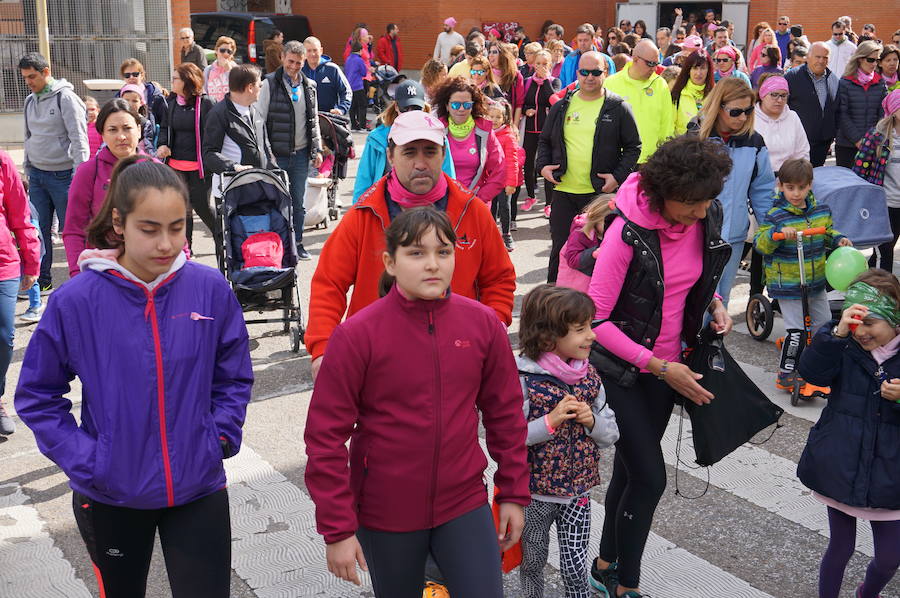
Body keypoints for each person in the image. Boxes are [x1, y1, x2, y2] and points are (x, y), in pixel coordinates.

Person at [15, 157, 253, 598]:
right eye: (150, 228)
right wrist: (91, 461)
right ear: (120, 223)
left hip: (198, 486)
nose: (166, 243)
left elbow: (233, 374)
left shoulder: (209, 288)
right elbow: (37, 395)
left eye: (177, 227)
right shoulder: (77, 300)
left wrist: (219, 435)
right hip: (111, 495)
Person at [304, 207, 528, 595]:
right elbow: (324, 438)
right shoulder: (357, 335)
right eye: (416, 253)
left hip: (463, 500)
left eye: (444, 252)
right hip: (385, 510)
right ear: (390, 262)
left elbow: (505, 414)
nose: (433, 264)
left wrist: (511, 492)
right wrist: (337, 529)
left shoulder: (483, 325)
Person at [587, 136, 734, 598]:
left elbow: (691, 279)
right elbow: (595, 320)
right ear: (663, 192)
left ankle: (604, 564)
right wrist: (655, 364)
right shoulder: (626, 232)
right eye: (690, 203)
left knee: (630, 474)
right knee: (650, 478)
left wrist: (714, 303)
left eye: (706, 202)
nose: (699, 212)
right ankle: (625, 584)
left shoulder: (704, 215)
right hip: (622, 371)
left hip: (670, 366)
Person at [304, 110, 516, 383]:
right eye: (409, 152)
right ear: (391, 157)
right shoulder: (364, 213)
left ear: (443, 154)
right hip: (378, 359)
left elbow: (499, 279)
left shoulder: (471, 211)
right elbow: (328, 283)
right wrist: (323, 348)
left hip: (455, 359)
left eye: (429, 152)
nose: (420, 163)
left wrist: (490, 331)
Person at [796, 269, 900, 598]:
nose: (861, 332)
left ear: (895, 320)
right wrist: (835, 335)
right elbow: (811, 372)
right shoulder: (843, 345)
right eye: (855, 322)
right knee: (839, 549)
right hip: (841, 463)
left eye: (870, 323)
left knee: (889, 558)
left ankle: (866, 593)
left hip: (890, 472)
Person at [516, 284, 618, 598]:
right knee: (532, 560)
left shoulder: (590, 378)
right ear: (549, 338)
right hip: (535, 494)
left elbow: (611, 434)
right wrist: (550, 422)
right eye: (580, 329)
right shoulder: (525, 380)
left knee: (575, 567)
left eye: (590, 326)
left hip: (578, 494)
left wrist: (591, 422)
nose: (592, 335)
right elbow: (510, 438)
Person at [536, 51, 641, 283]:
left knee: (600, 251)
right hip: (564, 192)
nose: (589, 77)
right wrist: (542, 167)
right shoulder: (562, 106)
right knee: (561, 249)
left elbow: (634, 147)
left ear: (605, 73)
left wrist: (617, 177)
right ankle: (555, 297)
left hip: (599, 196)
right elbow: (544, 140)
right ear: (577, 74)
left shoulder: (618, 107)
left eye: (596, 72)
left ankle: (599, 303)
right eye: (584, 72)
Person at [754, 158, 851, 393]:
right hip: (788, 284)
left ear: (810, 185)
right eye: (790, 188)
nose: (796, 193)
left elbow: (827, 232)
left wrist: (838, 239)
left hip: (815, 281)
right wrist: (777, 234)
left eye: (801, 187)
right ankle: (786, 372)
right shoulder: (776, 215)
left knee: (824, 325)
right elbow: (760, 244)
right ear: (781, 186)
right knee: (796, 331)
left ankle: (817, 365)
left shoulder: (821, 211)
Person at [687, 78, 776, 303]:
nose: (743, 117)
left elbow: (762, 191)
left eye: (748, 110)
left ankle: (713, 339)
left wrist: (770, 229)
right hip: (696, 234)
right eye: (736, 112)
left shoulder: (754, 142)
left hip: (733, 235)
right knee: (693, 299)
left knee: (721, 299)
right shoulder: (695, 137)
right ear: (719, 107)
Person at [19, 52, 89, 294]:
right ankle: (42, 281)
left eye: (33, 76)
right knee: (39, 232)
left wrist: (82, 178)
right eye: (25, 77)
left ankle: (81, 283)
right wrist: (28, 170)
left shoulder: (66, 99)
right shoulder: (30, 101)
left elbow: (80, 140)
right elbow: (28, 137)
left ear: (46, 71)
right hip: (37, 177)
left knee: (73, 232)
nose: (29, 81)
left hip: (64, 178)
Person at [256, 41, 324, 260]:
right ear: (283, 58)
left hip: (302, 154)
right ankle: (278, 246)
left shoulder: (310, 85)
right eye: (291, 61)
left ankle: (297, 243)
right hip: (277, 156)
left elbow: (313, 121)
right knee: (276, 202)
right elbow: (260, 122)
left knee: (298, 203)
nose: (294, 66)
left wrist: (317, 149)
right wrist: (267, 153)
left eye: (299, 62)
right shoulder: (269, 84)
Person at [63, 99, 147, 277]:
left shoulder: (156, 169)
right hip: (103, 270)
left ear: (139, 129)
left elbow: (174, 224)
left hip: (150, 268)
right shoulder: (88, 172)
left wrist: (182, 262)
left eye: (127, 128)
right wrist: (77, 273)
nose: (121, 136)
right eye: (112, 130)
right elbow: (74, 229)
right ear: (102, 133)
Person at [351, 80, 455, 204]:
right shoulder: (377, 138)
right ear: (396, 106)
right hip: (385, 210)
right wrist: (359, 213)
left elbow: (449, 181)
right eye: (405, 108)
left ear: (424, 108)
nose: (410, 113)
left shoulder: (437, 136)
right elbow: (364, 181)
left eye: (416, 108)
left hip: (429, 212)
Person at [156, 63, 218, 256]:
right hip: (176, 166)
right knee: (183, 210)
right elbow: (165, 127)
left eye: (176, 78)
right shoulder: (172, 101)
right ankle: (186, 251)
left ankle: (222, 236)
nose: (172, 82)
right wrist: (163, 144)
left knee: (201, 206)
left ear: (187, 81)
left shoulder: (207, 104)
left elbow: (214, 134)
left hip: (199, 167)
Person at [0, 150, 40, 435]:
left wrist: (31, 260)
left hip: (3, 263)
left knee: (3, 335)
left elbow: (20, 213)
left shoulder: (2, 161)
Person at [433, 77, 505, 203]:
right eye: (455, 105)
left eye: (466, 105)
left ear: (473, 106)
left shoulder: (485, 132)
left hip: (476, 204)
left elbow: (500, 169)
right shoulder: (435, 131)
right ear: (447, 106)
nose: (461, 109)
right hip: (442, 204)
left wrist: (479, 198)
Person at [202, 64, 275, 187]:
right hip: (231, 189)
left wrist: (274, 170)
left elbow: (265, 146)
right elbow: (209, 153)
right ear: (250, 87)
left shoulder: (255, 111)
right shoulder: (218, 114)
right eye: (259, 85)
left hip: (259, 186)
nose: (261, 89)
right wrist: (233, 167)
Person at [603, 40, 674, 163]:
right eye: (650, 64)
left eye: (656, 63)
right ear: (635, 59)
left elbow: (666, 126)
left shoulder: (660, 84)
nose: (654, 68)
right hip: (619, 162)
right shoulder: (610, 83)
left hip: (651, 162)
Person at [853, 90, 900, 271]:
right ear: (894, 110)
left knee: (881, 252)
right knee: (885, 251)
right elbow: (859, 170)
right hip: (883, 204)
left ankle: (869, 281)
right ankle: (883, 295)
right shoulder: (876, 136)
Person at [785, 42, 840, 167]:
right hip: (798, 143)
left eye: (825, 57)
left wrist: (832, 133)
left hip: (822, 144)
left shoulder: (833, 79)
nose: (821, 61)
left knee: (816, 179)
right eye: (817, 56)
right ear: (808, 57)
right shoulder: (792, 77)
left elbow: (836, 109)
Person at [835, 41, 887, 168]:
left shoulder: (880, 83)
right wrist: (858, 140)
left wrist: (872, 139)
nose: (874, 64)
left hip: (873, 144)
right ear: (859, 59)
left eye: (877, 60)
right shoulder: (845, 82)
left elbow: (883, 114)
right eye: (870, 60)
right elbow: (842, 114)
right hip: (847, 145)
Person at [520, 50, 561, 213]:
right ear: (533, 64)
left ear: (550, 65)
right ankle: (530, 196)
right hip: (530, 130)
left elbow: (555, 103)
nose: (541, 67)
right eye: (538, 64)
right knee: (528, 165)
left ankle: (548, 204)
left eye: (545, 64)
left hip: (547, 132)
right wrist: (526, 110)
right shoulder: (527, 82)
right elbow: (521, 103)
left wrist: (545, 81)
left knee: (547, 166)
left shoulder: (554, 81)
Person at [754, 74, 809, 173]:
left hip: (789, 177)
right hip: (758, 178)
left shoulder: (792, 117)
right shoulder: (750, 118)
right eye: (774, 94)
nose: (779, 100)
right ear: (762, 95)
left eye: (783, 95)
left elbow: (802, 152)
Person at [557, 196, 612, 292]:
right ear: (596, 218)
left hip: (598, 284)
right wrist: (593, 254)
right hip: (576, 288)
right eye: (608, 223)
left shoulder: (612, 234)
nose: (612, 227)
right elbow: (572, 259)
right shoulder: (580, 232)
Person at [487, 99, 518, 251]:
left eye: (497, 117)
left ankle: (506, 234)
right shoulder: (485, 134)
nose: (494, 120)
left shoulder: (508, 136)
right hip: (489, 180)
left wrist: (512, 182)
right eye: (490, 116)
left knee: (504, 208)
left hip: (504, 181)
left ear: (504, 118)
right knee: (490, 208)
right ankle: (492, 234)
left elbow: (513, 160)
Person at [302, 37, 352, 116]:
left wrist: (341, 109)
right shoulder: (299, 70)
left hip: (329, 117)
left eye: (315, 50)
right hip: (306, 117)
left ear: (321, 50)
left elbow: (346, 91)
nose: (312, 54)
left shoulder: (332, 69)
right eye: (309, 51)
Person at [670, 51, 714, 135]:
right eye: (694, 68)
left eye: (703, 68)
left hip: (708, 146)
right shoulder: (677, 93)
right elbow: (669, 126)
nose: (698, 73)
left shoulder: (715, 94)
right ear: (688, 70)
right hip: (682, 145)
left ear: (709, 70)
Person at [118, 58, 167, 127]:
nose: (131, 77)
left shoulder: (155, 96)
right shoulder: (118, 97)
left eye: (135, 74)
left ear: (142, 75)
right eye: (127, 75)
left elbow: (165, 122)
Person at [119, 83, 158, 156]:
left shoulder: (145, 123)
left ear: (141, 102)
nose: (130, 104)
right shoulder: (115, 120)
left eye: (134, 101)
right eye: (126, 100)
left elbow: (149, 147)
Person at [489, 44, 524, 123]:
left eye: (494, 52)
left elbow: (519, 104)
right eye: (489, 52)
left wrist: (515, 126)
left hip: (507, 123)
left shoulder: (516, 76)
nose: (490, 55)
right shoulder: (486, 73)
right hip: (488, 123)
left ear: (503, 55)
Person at [203, 36, 238, 103]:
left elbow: (237, 89)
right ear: (216, 50)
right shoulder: (208, 70)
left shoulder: (236, 69)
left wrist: (228, 70)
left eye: (229, 52)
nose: (225, 54)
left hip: (229, 109)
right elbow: (205, 92)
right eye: (222, 50)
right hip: (213, 108)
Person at [345, 40, 369, 131]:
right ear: (360, 50)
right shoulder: (359, 60)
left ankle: (354, 125)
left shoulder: (348, 59)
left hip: (349, 86)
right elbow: (364, 73)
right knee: (362, 106)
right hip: (358, 86)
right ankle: (362, 126)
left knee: (352, 107)